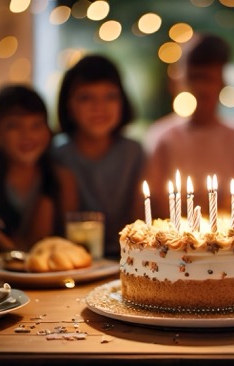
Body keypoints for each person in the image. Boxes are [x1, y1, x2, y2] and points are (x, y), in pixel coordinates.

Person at [143, 33, 234, 219]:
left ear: (222, 82)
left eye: (209, 79)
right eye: (195, 78)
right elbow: (157, 203)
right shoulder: (163, 137)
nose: (202, 88)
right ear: (181, 80)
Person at [0, 84, 79, 254]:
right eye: (13, 126)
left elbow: (68, 243)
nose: (27, 134)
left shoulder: (62, 178)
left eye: (36, 125)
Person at [53, 55, 145, 259]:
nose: (99, 106)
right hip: (72, 260)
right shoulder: (57, 154)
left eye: (110, 96)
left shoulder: (134, 153)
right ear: (68, 104)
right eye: (86, 97)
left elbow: (140, 219)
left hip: (126, 259)